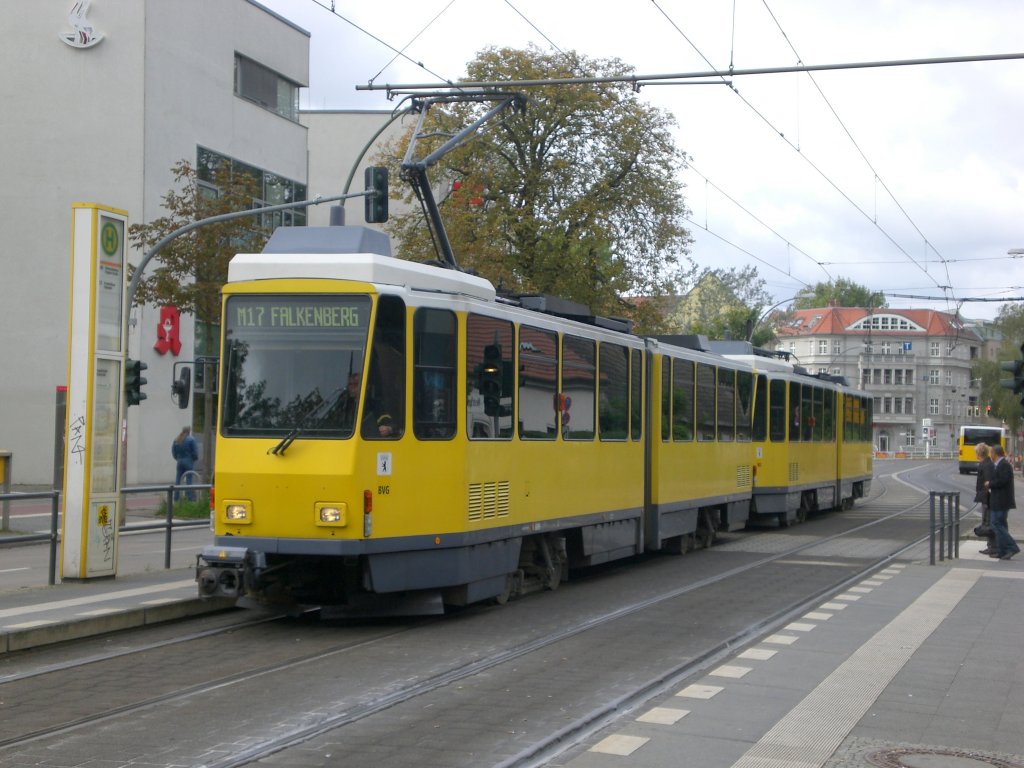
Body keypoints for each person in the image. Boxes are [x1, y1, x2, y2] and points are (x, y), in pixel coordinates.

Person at [985, 444, 1020, 561]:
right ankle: (1003, 551)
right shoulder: (999, 465)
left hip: (1001, 501)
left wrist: (989, 483)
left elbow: (1002, 481)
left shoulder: (1004, 465)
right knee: (1001, 525)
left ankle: (1011, 547)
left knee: (996, 524)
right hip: (998, 500)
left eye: (991, 453)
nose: (990, 455)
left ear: (995, 453)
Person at [974, 443, 996, 554]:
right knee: (987, 521)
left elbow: (988, 483)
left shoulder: (986, 465)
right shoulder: (987, 463)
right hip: (986, 497)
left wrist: (986, 500)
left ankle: (992, 546)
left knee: (988, 522)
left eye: (976, 453)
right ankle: (990, 546)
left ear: (979, 453)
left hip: (987, 498)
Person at [171, 426, 199, 500]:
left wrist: (178, 459)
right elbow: (195, 453)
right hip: (188, 461)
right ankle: (190, 498)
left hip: (179, 462)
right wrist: (193, 459)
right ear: (189, 431)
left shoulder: (176, 439)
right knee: (189, 480)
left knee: (178, 480)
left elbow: (173, 452)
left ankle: (176, 498)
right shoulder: (191, 439)